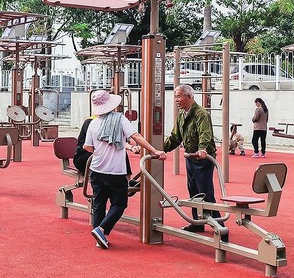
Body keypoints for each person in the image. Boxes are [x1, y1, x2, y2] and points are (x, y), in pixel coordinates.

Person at [82, 89, 165, 249]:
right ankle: (101, 230)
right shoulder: (120, 119)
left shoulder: (93, 123)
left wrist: (102, 149)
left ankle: (99, 237)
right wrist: (155, 150)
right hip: (115, 171)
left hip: (97, 169)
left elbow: (87, 147)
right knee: (119, 204)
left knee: (99, 203)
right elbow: (135, 136)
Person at [162, 84, 220, 232]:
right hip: (190, 157)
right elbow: (175, 137)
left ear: (189, 97)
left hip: (203, 158)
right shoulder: (182, 115)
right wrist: (160, 148)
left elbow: (205, 133)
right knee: (193, 191)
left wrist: (202, 148)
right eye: (175, 97)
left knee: (205, 192)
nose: (176, 100)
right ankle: (197, 222)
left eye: (178, 96)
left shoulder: (201, 114)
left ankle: (219, 224)